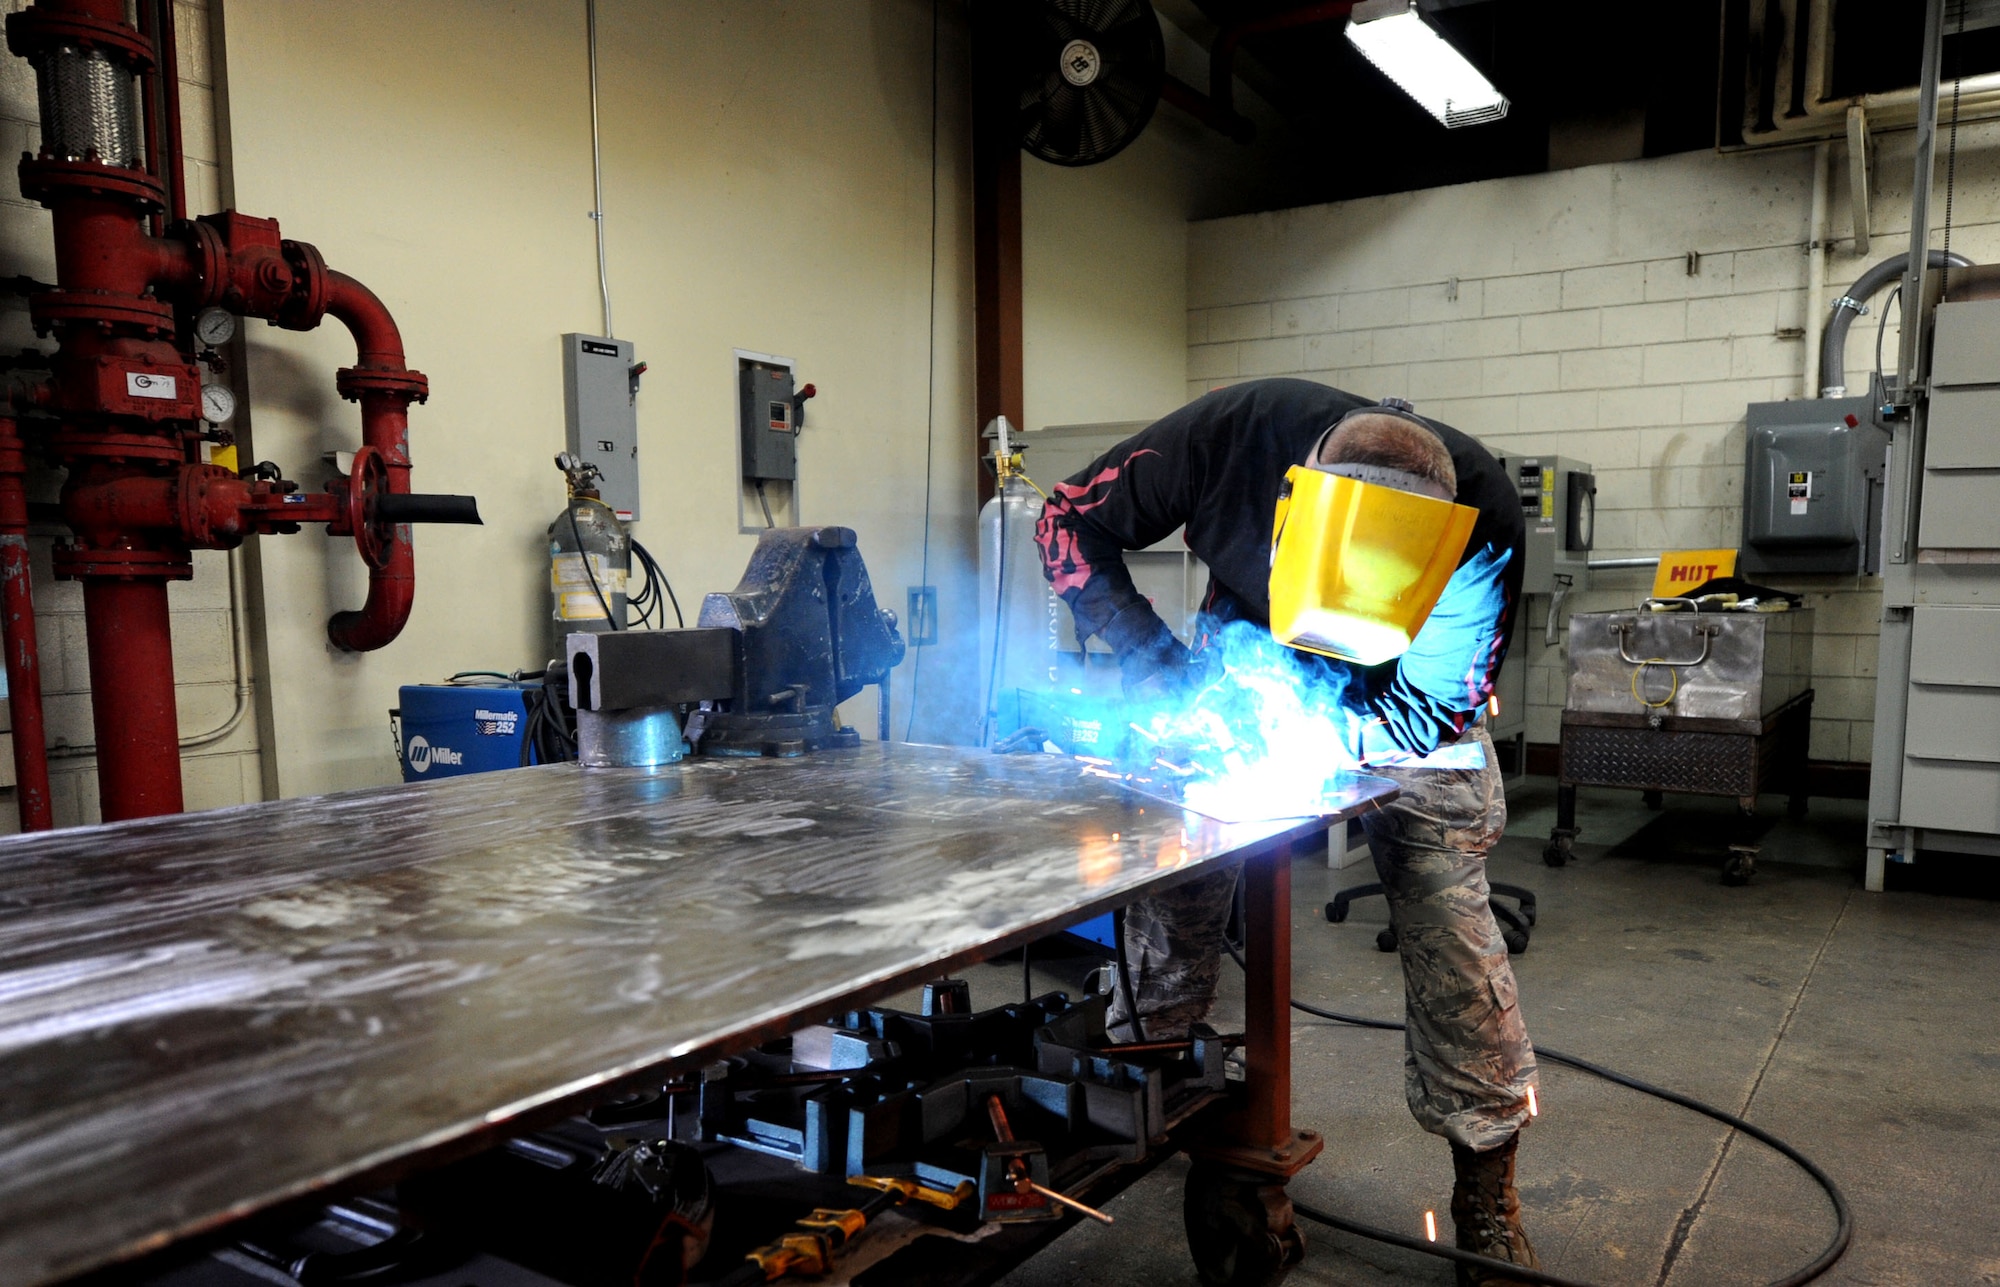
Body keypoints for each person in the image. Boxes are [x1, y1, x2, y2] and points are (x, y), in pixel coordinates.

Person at [1034, 377, 1538, 1286]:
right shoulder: (1227, 438)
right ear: (1293, 491)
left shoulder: (1482, 517)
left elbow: (1441, 698)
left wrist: (1327, 736)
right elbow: (1065, 522)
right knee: (1169, 904)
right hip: (1243, 660)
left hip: (1406, 704)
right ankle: (1142, 1098)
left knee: (1451, 927)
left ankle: (1484, 1186)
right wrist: (1157, 669)